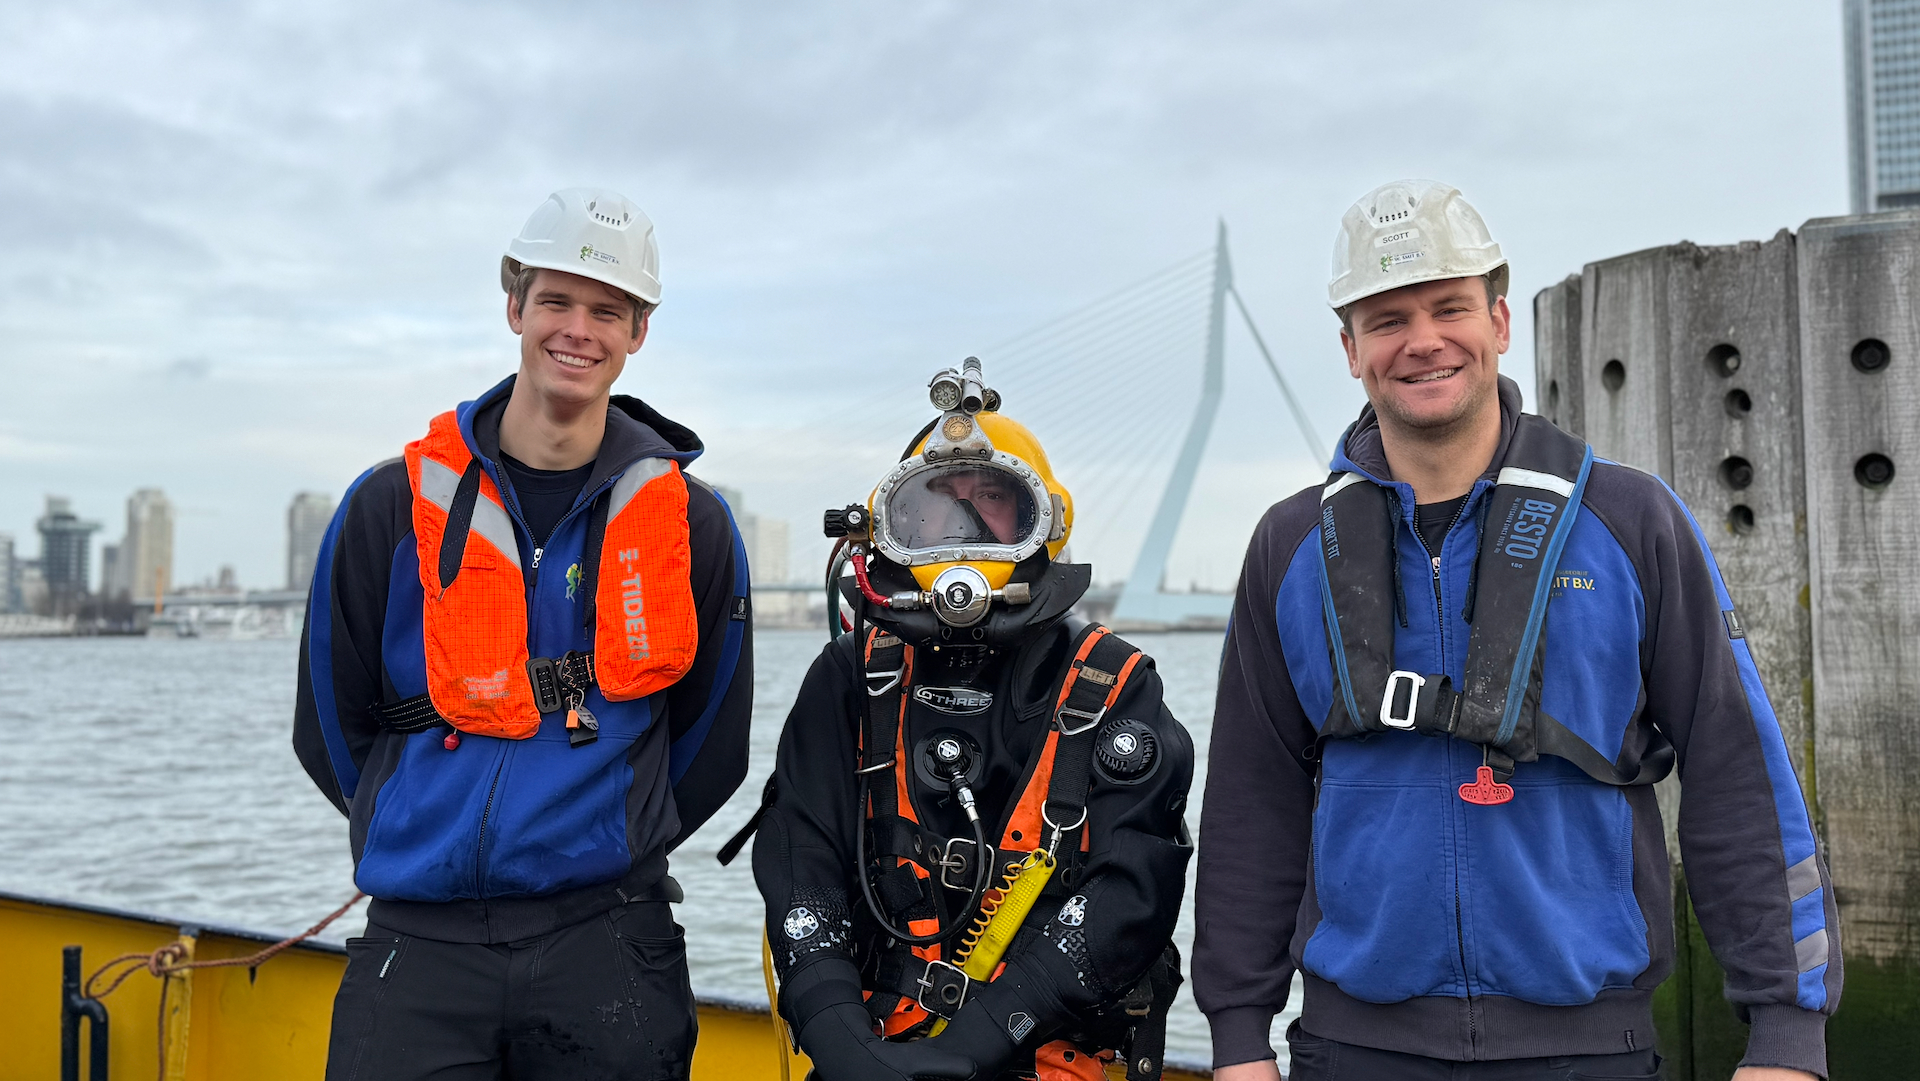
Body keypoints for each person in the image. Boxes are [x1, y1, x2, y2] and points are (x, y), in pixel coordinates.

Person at [1193, 180, 1841, 1081]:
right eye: (1386, 320)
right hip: (1352, 1050)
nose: (1422, 341)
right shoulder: (1290, 545)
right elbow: (1248, 801)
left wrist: (1785, 1037)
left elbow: (1738, 770)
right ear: (1350, 350)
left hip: (1591, 1046)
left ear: (1500, 321)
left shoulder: (1631, 521)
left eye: (1448, 307)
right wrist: (1235, 1039)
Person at [293, 188, 753, 1081]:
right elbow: (329, 723)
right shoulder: (390, 507)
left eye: (606, 310)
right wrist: (423, 823)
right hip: (418, 945)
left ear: (638, 332)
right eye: (555, 300)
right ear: (514, 306)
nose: (578, 329)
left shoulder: (691, 528)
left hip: (609, 939)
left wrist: (605, 838)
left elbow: (711, 741)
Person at [736, 358, 1193, 1081]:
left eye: (992, 504)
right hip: (872, 1049)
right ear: (891, 529)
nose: (966, 529)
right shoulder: (848, 676)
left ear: (1045, 521)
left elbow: (1130, 893)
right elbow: (801, 859)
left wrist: (973, 1042)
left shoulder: (1116, 689)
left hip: (1046, 1055)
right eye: (939, 509)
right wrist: (835, 1031)